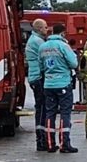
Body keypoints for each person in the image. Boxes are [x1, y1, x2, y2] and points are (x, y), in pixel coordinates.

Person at [41, 23, 79, 154]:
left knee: (49, 113)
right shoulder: (63, 46)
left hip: (48, 84)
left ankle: (50, 144)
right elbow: (74, 63)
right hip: (63, 83)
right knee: (65, 113)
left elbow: (41, 65)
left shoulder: (43, 47)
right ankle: (64, 145)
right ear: (62, 33)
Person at [26, 19, 49, 151]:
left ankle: (42, 139)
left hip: (35, 77)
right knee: (42, 109)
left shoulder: (34, 40)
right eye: (45, 28)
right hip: (39, 78)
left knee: (42, 108)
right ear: (39, 28)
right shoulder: (38, 42)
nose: (47, 30)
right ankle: (41, 140)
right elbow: (46, 59)